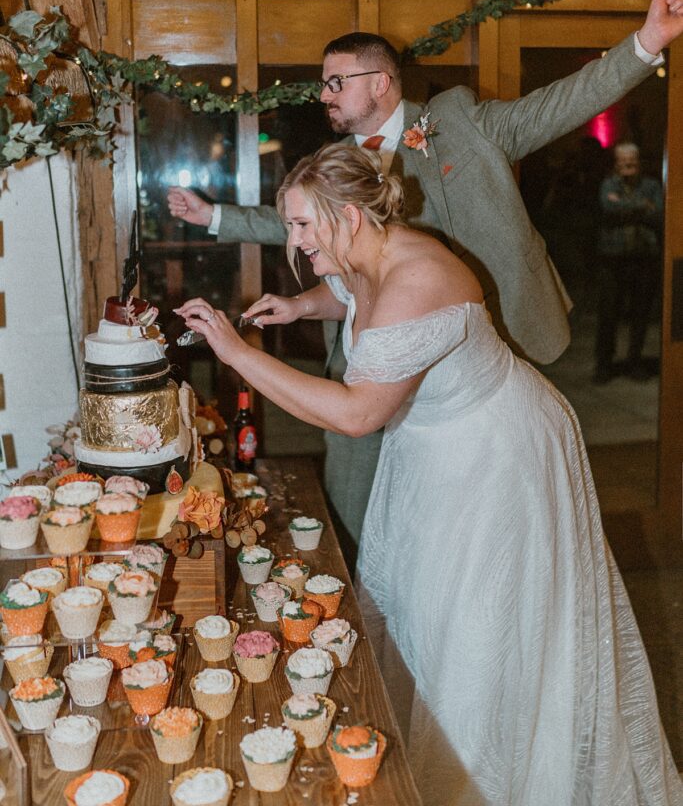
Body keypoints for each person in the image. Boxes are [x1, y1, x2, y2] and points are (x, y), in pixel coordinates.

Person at [175, 144, 682, 806]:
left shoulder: (416, 279)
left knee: (478, 622)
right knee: (423, 605)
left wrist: (237, 355)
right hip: (435, 445)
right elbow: (350, 294)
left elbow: (358, 415)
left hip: (497, 452)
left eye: (303, 225)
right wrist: (301, 309)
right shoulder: (370, 250)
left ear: (350, 215)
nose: (295, 242)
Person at [168, 0, 683, 548]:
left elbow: (559, 104)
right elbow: (294, 223)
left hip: (480, 345)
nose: (324, 94)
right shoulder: (335, 160)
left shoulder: (462, 122)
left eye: (337, 81)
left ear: (382, 82)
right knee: (356, 493)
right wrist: (212, 216)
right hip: (377, 348)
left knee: (471, 513)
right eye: (324, 83)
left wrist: (647, 45)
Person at [593, 142, 663, 383]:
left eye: (632, 159)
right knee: (608, 314)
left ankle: (635, 362)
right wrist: (642, 206)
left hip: (643, 259)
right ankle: (604, 365)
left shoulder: (652, 186)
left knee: (640, 313)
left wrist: (623, 207)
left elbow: (659, 214)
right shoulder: (608, 185)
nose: (628, 164)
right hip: (613, 260)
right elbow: (607, 208)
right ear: (616, 163)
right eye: (623, 160)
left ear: (639, 161)